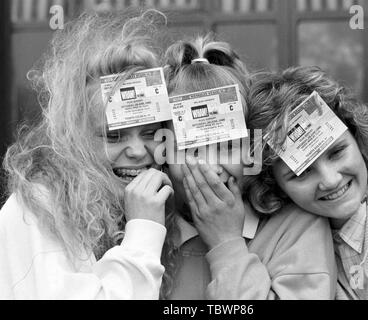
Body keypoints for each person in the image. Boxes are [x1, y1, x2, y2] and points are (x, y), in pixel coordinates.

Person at [0, 9, 175, 300]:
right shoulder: (41, 206)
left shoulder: (135, 202)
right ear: (75, 137)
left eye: (150, 132)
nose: (137, 150)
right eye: (113, 135)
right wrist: (144, 230)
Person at [161, 35, 338, 300]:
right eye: (192, 150)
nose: (211, 168)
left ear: (253, 149)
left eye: (228, 146)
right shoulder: (145, 227)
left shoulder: (297, 225)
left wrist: (226, 245)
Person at [247, 66, 368, 299]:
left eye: (336, 152)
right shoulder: (286, 257)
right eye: (302, 172)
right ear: (274, 186)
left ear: (357, 137)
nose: (330, 179)